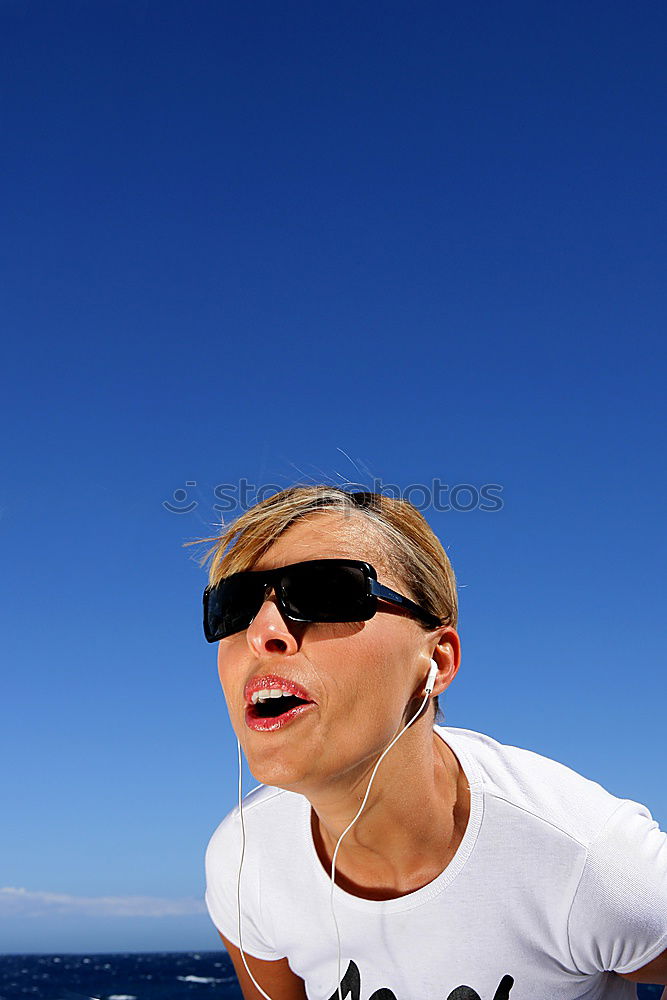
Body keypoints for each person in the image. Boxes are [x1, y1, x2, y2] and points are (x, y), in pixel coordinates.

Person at [195, 485, 667, 1000]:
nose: (263, 631)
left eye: (325, 593)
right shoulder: (244, 860)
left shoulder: (589, 859)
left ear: (437, 662)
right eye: (234, 606)